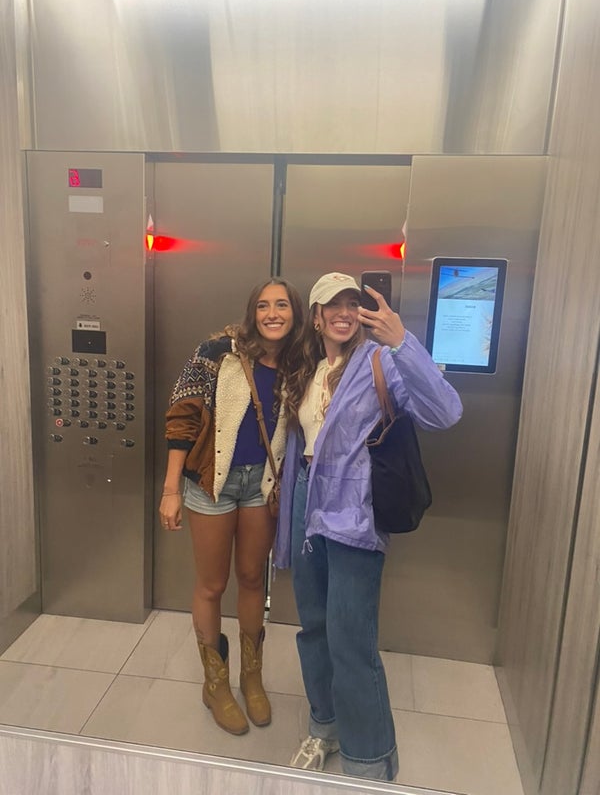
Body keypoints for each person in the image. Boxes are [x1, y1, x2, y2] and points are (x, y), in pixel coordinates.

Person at [274, 272, 463, 780]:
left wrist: (402, 341)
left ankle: (369, 760)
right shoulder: (308, 369)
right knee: (314, 627)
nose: (343, 312)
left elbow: (446, 411)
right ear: (316, 317)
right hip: (307, 502)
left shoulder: (381, 360)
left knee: (350, 637)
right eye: (331, 305)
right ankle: (325, 726)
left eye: (351, 303)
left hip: (354, 510)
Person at [159, 277, 304, 736]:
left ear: (296, 313)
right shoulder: (217, 352)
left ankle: (251, 677)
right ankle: (216, 683)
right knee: (212, 584)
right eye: (263, 305)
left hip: (261, 485)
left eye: (282, 305)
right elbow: (182, 414)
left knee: (252, 579)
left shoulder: (301, 362)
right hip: (211, 484)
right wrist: (170, 489)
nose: (272, 313)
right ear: (252, 312)